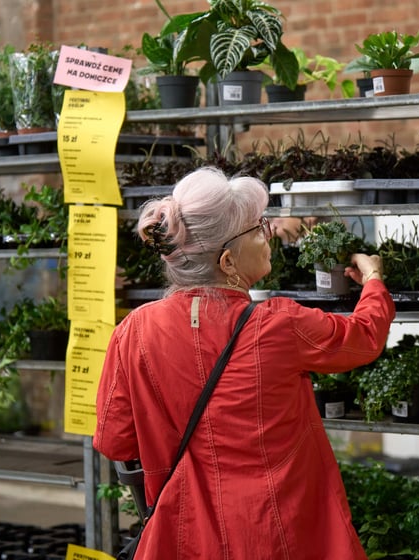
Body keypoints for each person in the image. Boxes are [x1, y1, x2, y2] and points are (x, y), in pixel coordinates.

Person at [93, 167, 395, 559]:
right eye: (257, 229)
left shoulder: (133, 331)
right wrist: (373, 280)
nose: (267, 237)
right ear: (228, 260)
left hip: (183, 534)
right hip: (275, 532)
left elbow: (113, 438)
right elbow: (363, 337)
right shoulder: (278, 325)